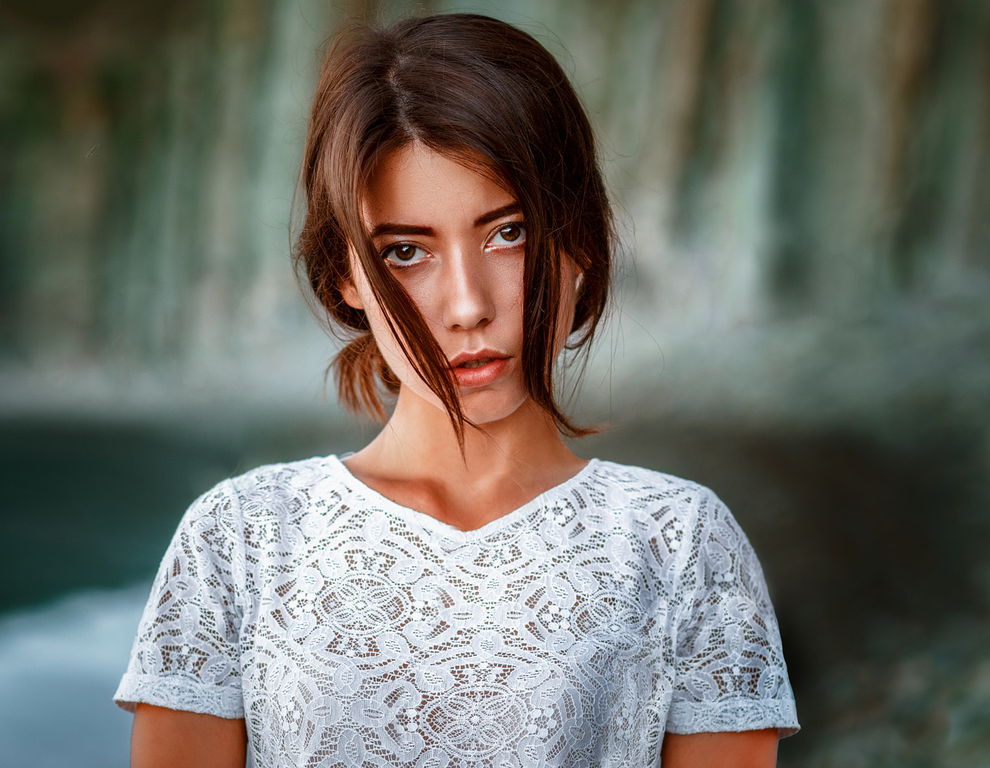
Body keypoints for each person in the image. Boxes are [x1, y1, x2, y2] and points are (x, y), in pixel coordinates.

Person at [115, 13, 799, 767]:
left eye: (508, 233)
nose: (468, 305)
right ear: (346, 275)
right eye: (406, 252)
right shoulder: (240, 538)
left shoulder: (680, 544)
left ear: (576, 237)